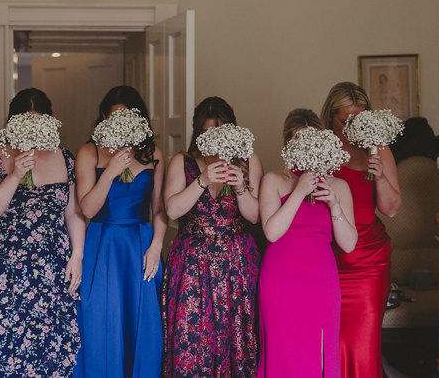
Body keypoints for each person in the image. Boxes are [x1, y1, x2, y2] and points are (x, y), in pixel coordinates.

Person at [0, 88, 86, 377]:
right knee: (6, 344)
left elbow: (72, 213)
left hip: (53, 264)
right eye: (26, 123)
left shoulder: (66, 158)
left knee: (52, 347)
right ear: (13, 124)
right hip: (7, 265)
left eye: (39, 123)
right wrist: (14, 174)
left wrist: (77, 257)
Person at [162, 96, 262, 377]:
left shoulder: (248, 160)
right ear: (198, 133)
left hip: (238, 264)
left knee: (238, 339)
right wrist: (202, 180)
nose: (215, 138)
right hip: (193, 266)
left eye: (221, 130)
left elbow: (255, 217)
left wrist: (241, 186)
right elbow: (172, 209)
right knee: (192, 341)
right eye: (207, 132)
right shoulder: (183, 161)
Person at [73, 86, 167, 377]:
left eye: (127, 117)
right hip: (103, 243)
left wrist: (156, 246)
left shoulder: (153, 153)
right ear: (103, 118)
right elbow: (87, 209)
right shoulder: (90, 151)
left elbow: (160, 209)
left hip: (140, 244)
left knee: (142, 322)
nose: (120, 123)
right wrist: (111, 170)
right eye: (114, 117)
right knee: (102, 320)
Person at [258, 109, 357, 377]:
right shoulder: (273, 180)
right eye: (297, 141)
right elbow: (272, 233)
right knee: (283, 355)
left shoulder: (338, 186)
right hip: (280, 283)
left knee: (319, 356)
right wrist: (299, 191)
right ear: (288, 145)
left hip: (321, 284)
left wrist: (334, 203)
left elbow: (348, 244)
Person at [321, 81, 402, 378]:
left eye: (359, 119)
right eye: (345, 120)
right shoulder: (319, 147)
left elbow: (391, 208)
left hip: (368, 262)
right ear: (330, 117)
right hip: (327, 260)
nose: (351, 126)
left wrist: (379, 175)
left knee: (362, 343)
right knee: (330, 342)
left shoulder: (377, 148)